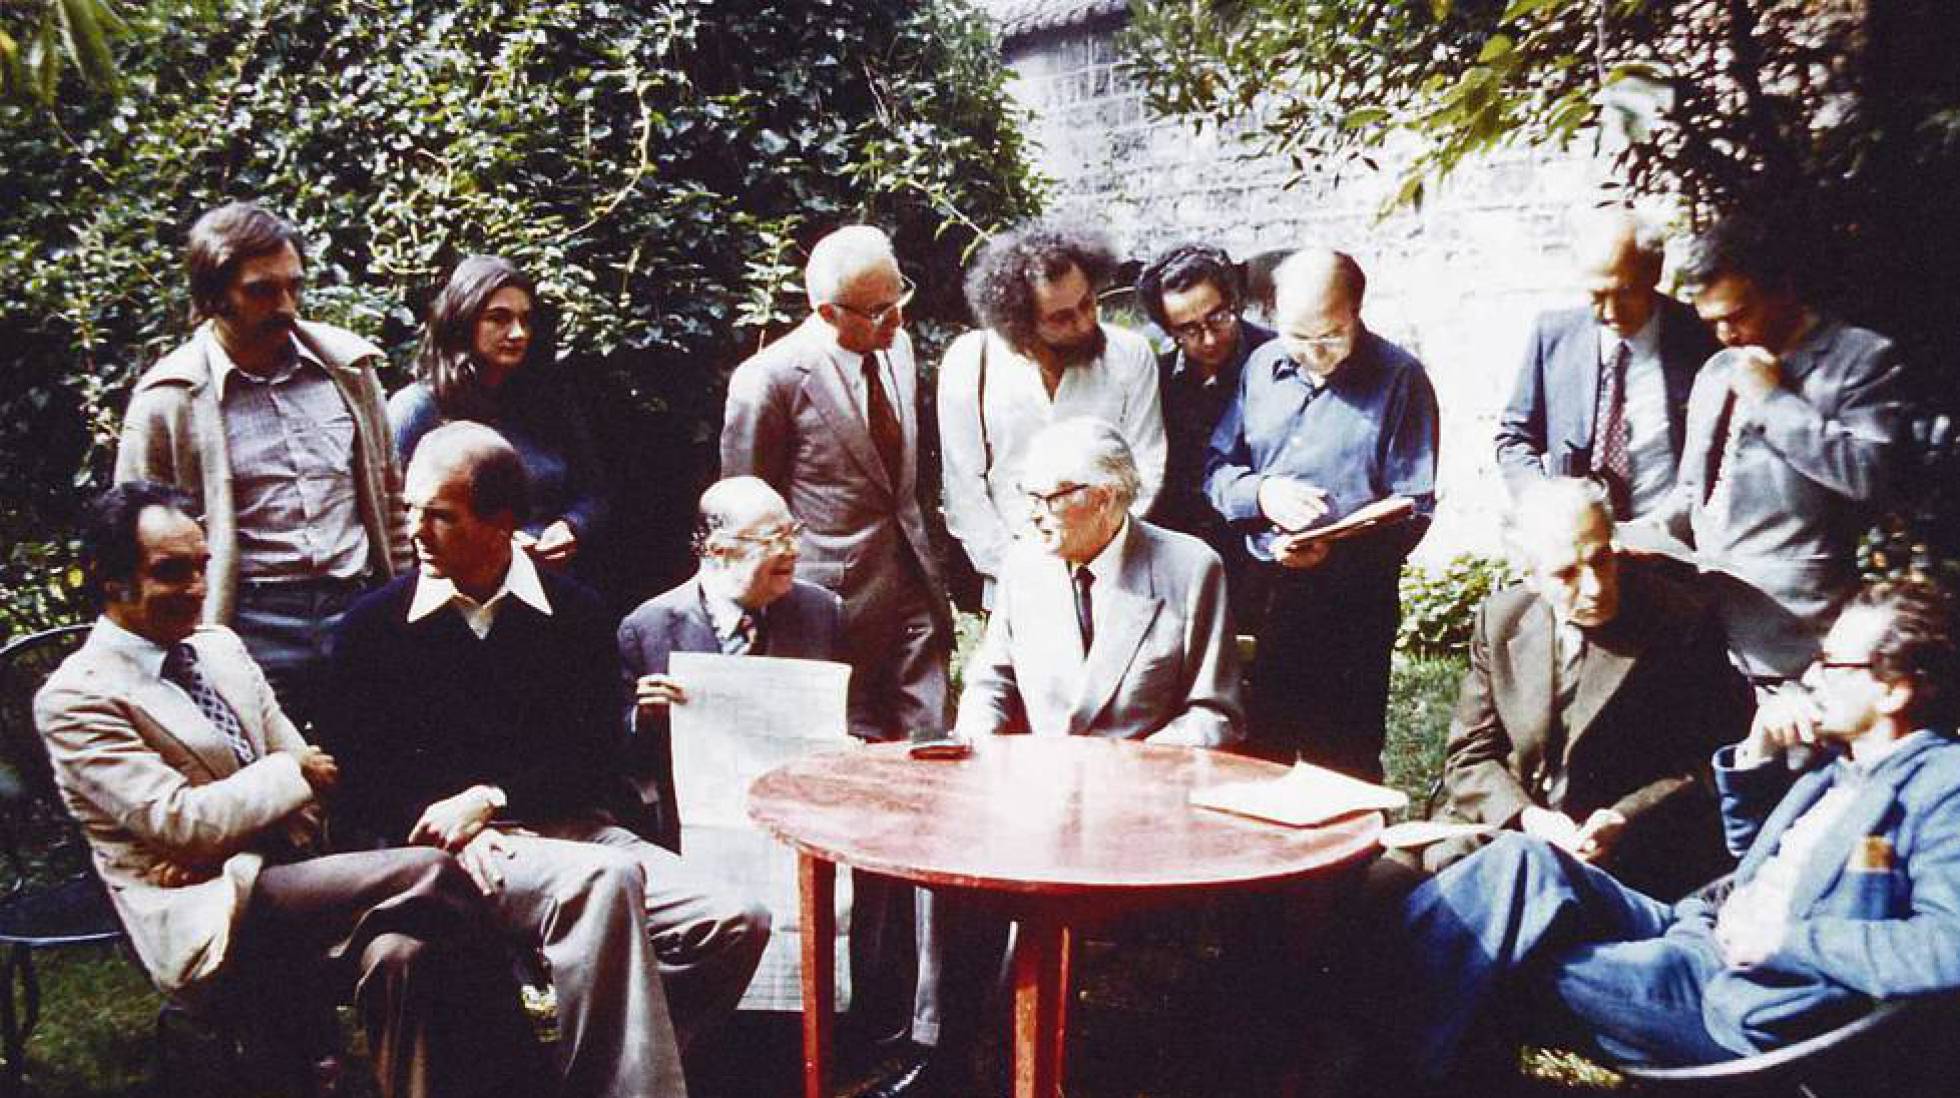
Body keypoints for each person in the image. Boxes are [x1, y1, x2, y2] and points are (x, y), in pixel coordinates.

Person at [34, 483, 545, 1098]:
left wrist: (236, 823)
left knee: (402, 954)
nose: (195, 588)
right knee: (432, 873)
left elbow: (315, 777)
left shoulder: (218, 648)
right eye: (170, 572)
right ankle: (534, 1080)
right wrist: (282, 783)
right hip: (214, 912)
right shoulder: (78, 696)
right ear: (107, 576)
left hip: (294, 878)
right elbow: (189, 822)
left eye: (200, 567)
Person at [1354, 580, 1960, 1092]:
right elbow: (1755, 857)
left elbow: (1946, 947)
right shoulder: (1842, 763)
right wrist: (1755, 755)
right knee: (1519, 861)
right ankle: (1360, 1023)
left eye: (1834, 664)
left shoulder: (1942, 787)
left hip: (1736, 995)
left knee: (1503, 955)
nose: (1812, 677)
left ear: (1894, 689)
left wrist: (1785, 940)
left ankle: (1368, 1060)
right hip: (1694, 929)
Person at [328, 422, 769, 1096]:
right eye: (411, 509)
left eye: (440, 515)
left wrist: (490, 798)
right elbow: (360, 780)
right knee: (607, 880)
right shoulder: (373, 628)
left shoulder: (575, 613)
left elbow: (593, 757)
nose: (415, 530)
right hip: (445, 856)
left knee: (737, 918)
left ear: (502, 523)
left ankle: (590, 1072)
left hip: (572, 831)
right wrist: (455, 830)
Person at [871, 418, 1242, 1098]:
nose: (1033, 514)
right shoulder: (1025, 563)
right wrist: (978, 740)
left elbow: (1214, 714)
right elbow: (992, 679)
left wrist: (1125, 771)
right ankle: (943, 1054)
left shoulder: (1191, 569)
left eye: (1050, 497)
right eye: (1028, 495)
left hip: (1135, 815)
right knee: (949, 865)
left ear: (1108, 498)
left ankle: (1060, 1063)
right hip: (1035, 799)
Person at [718, 225, 948, 1046]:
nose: (896, 321)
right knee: (848, 807)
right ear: (826, 312)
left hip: (914, 595)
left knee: (935, 782)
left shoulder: (899, 347)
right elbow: (744, 512)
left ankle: (927, 1017)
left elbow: (903, 482)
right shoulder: (769, 380)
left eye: (899, 300)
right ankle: (835, 1010)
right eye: (876, 312)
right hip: (827, 620)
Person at [115, 201, 411, 735]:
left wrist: (404, 591)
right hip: (245, 624)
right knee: (266, 771)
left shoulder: (348, 371)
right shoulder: (168, 401)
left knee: (379, 762)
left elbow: (391, 495)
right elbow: (135, 542)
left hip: (359, 606)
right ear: (213, 296)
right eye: (262, 291)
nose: (286, 306)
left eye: (294, 286)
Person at [1400, 478, 1752, 899]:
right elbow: (1470, 756)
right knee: (1386, 887)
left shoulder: (1678, 621)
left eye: (1601, 560)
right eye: (1565, 574)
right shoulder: (1502, 620)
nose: (1595, 587)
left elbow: (1710, 760)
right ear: (1529, 577)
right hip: (1508, 825)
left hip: (1624, 849)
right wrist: (1528, 818)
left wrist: (1624, 818)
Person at [1636, 213, 1907, 684]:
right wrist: (1648, 533)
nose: (1725, 334)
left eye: (1737, 315)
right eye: (1712, 321)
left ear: (1783, 290)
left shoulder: (1860, 358)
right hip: (1712, 631)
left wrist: (1771, 400)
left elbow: (1868, 474)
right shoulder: (1718, 369)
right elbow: (1696, 493)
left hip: (1803, 635)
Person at [1204, 247, 1438, 779]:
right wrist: (1261, 494)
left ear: (1356, 311)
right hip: (1260, 591)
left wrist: (1334, 548)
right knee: (1255, 758)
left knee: (1342, 764)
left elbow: (1415, 503)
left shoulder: (1399, 378)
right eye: (1298, 336)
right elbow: (1217, 468)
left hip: (1349, 604)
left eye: (1330, 336)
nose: (1313, 353)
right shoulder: (1261, 366)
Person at [938, 222, 1167, 605]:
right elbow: (964, 491)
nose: (1084, 323)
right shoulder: (970, 362)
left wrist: (1100, 556)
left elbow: (1146, 465)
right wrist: (1019, 569)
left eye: (1088, 303)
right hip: (1013, 583)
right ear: (1019, 323)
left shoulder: (1129, 355)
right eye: (1061, 318)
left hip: (1115, 578)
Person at [616, 476, 844, 850]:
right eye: (772, 539)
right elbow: (620, 759)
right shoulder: (649, 628)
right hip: (698, 830)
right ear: (718, 549)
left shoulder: (820, 611)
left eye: (793, 533)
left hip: (803, 822)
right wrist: (645, 717)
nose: (792, 550)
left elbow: (857, 713)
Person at [390, 255, 610, 584]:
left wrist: (571, 526)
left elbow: (593, 494)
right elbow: (390, 519)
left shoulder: (549, 403)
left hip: (549, 586)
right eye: (498, 318)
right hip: (453, 590)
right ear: (463, 321)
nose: (518, 333)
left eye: (525, 320)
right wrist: (493, 541)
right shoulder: (418, 409)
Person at [1494, 207, 1720, 518]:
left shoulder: (1700, 335)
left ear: (1654, 274)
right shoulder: (1554, 337)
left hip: (1673, 536)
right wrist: (1543, 500)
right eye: (1597, 295)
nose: (1611, 312)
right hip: (1578, 539)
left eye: (1625, 293)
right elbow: (1515, 438)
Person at [1136, 242, 1275, 623]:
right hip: (1181, 565)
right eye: (1190, 330)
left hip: (1263, 558)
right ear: (1168, 330)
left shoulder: (1278, 360)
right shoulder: (1155, 379)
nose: (1210, 339)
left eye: (1218, 318)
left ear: (1234, 302)